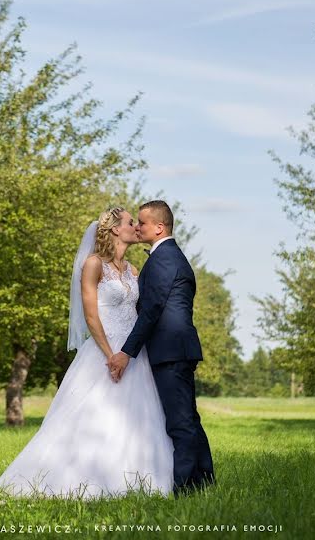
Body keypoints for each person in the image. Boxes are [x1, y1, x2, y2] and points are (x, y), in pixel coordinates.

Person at [0, 207, 174, 499]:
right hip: (104, 350)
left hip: (132, 352)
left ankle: (134, 478)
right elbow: (91, 316)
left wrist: (128, 351)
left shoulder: (133, 270)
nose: (136, 228)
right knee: (92, 414)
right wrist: (110, 354)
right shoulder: (93, 265)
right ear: (115, 229)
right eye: (130, 223)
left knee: (138, 415)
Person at [108, 200, 215, 497]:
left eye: (142, 222)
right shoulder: (166, 256)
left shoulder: (164, 258)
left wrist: (126, 352)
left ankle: (183, 490)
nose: (138, 227)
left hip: (171, 351)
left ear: (159, 227)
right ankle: (204, 482)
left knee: (180, 423)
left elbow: (152, 310)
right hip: (177, 350)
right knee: (189, 419)